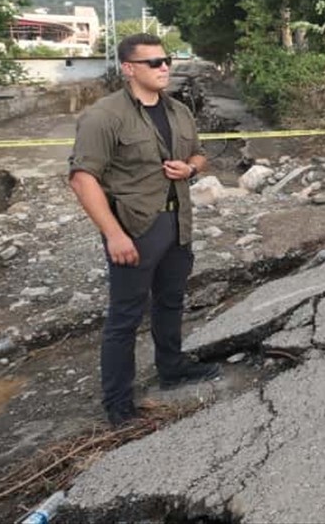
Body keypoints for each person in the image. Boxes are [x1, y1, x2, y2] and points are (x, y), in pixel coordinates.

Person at [68, 33, 220, 428]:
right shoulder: (104, 116)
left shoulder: (178, 112)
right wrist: (114, 235)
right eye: (154, 62)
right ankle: (118, 405)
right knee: (125, 317)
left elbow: (200, 154)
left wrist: (192, 169)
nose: (164, 67)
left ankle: (172, 368)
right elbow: (83, 179)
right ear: (129, 68)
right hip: (135, 227)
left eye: (166, 60)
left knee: (170, 302)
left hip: (177, 223)